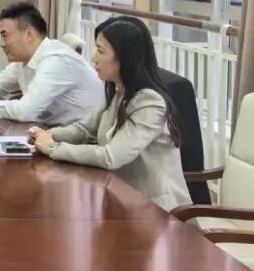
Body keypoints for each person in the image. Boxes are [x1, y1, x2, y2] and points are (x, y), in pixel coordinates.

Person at [27, 16, 193, 212]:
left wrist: (54, 148)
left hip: (158, 212)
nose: (93, 58)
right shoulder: (118, 91)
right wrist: (50, 134)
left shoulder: (149, 103)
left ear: (125, 57)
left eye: (101, 50)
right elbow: (84, 129)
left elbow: (111, 156)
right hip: (123, 199)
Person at [0, 1, 103, 125]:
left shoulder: (55, 60)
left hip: (83, 138)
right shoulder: (23, 61)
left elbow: (26, 111)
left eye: (5, 35)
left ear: (29, 35)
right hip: (53, 132)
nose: (1, 44)